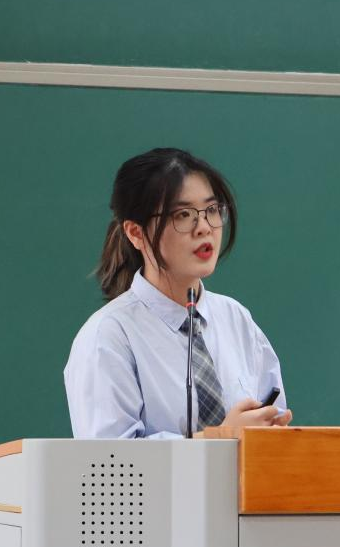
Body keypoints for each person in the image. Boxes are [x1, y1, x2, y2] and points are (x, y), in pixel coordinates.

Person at [64, 147, 292, 439]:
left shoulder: (236, 318)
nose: (204, 228)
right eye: (183, 215)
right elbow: (109, 460)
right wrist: (220, 439)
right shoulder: (109, 335)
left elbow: (274, 430)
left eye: (212, 210)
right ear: (135, 232)